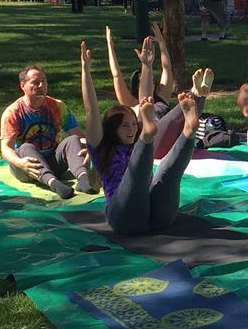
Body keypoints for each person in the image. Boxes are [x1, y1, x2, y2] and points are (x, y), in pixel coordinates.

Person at [81, 38, 204, 235]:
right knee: (135, 176)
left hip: (158, 215)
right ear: (112, 129)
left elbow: (145, 99)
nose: (130, 130)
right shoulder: (100, 148)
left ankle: (189, 132)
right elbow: (91, 112)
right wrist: (86, 72)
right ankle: (150, 135)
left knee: (167, 172)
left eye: (133, 124)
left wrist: (146, 66)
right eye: (124, 126)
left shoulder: (134, 138)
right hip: (124, 217)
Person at [105, 24, 213, 159]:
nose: (151, 81)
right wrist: (110, 45)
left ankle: (200, 95)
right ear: (137, 85)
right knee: (167, 112)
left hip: (176, 140)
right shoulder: (131, 104)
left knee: (187, 117)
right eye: (144, 79)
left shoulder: (162, 97)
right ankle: (195, 94)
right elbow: (116, 75)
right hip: (153, 146)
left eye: (151, 79)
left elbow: (167, 68)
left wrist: (161, 39)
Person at [0, 65, 94, 199]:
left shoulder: (57, 106)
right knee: (26, 147)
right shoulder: (13, 112)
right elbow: (5, 148)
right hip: (28, 168)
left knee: (72, 140)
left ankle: (83, 179)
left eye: (44, 81)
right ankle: (54, 183)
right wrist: (20, 163)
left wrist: (90, 147)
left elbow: (77, 133)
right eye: (35, 82)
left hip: (53, 161)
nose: (41, 85)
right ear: (23, 86)